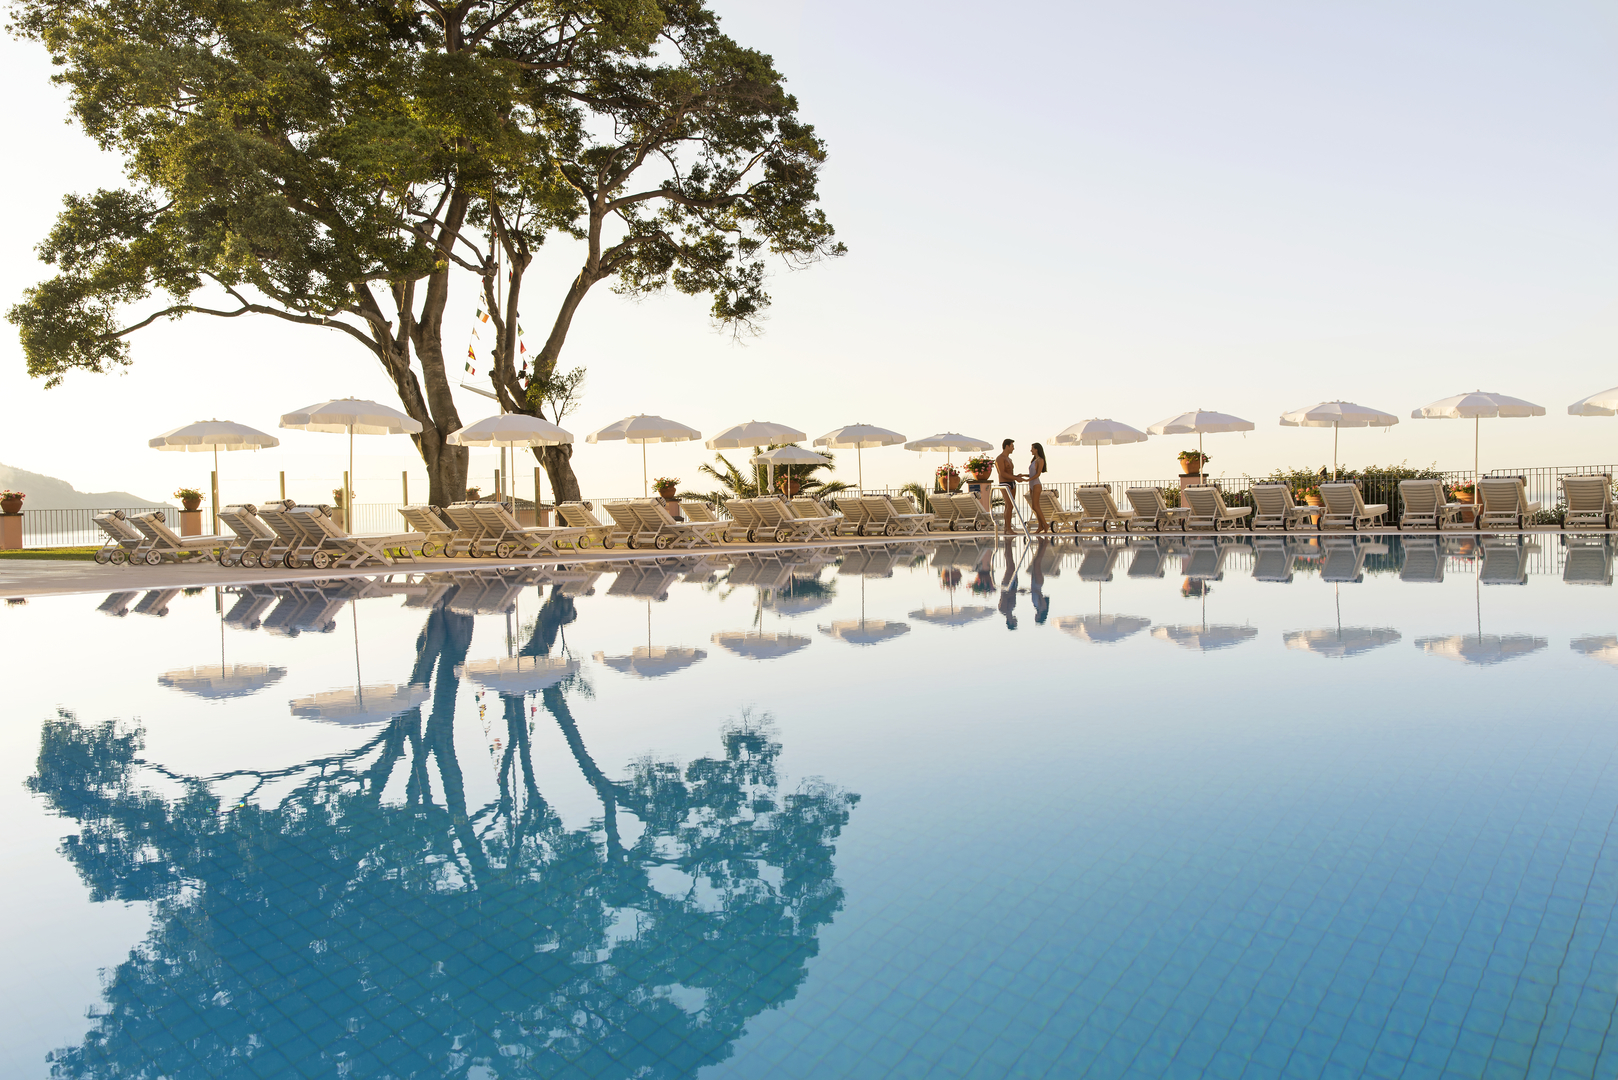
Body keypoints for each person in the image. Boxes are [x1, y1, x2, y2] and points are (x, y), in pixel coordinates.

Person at [994, 438, 1022, 533]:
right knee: (1009, 505)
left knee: (1010, 505)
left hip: (1012, 483)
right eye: (1012, 446)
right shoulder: (1000, 458)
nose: (1013, 448)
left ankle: (1007, 528)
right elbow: (1002, 473)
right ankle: (1008, 528)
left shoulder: (1009, 459)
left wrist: (1016, 477)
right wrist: (1015, 478)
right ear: (1007, 446)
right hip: (1005, 483)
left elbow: (1010, 472)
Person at [1026, 441, 1049, 532]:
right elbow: (1032, 474)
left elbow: (1038, 474)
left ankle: (1045, 524)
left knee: (1036, 506)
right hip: (1032, 484)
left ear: (1036, 449)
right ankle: (1040, 526)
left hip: (1036, 484)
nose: (1031, 450)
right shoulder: (1034, 460)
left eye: (1032, 448)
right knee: (1034, 506)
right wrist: (1024, 476)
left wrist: (1028, 480)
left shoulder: (1040, 460)